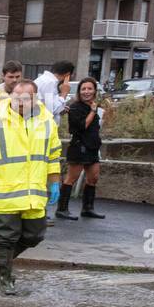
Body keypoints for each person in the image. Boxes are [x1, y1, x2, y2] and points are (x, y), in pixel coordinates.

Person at [0, 79, 62, 296]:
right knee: (5, 239)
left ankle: (4, 260)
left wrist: (55, 182)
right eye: (16, 98)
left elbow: (53, 155)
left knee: (34, 236)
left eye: (25, 98)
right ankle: (5, 278)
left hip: (34, 196)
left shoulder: (47, 124)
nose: (20, 102)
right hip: (4, 195)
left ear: (35, 99)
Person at [55, 77, 106, 221]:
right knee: (71, 178)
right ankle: (62, 209)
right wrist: (92, 111)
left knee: (93, 178)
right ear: (79, 91)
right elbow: (82, 126)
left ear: (95, 90)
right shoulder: (75, 107)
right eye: (83, 89)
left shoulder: (94, 106)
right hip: (79, 147)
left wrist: (96, 111)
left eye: (89, 89)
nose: (86, 92)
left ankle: (88, 208)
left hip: (93, 147)